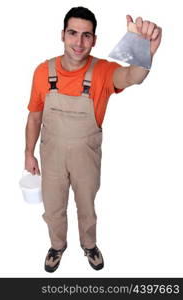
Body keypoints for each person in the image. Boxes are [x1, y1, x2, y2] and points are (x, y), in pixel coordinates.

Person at [25, 6, 162, 272]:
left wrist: (146, 53)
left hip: (86, 158)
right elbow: (34, 117)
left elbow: (132, 76)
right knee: (53, 208)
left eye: (87, 35)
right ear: (62, 34)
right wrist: (28, 153)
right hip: (51, 157)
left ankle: (89, 245)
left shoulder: (102, 71)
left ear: (94, 40)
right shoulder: (43, 71)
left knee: (86, 206)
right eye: (73, 33)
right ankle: (57, 245)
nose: (79, 42)